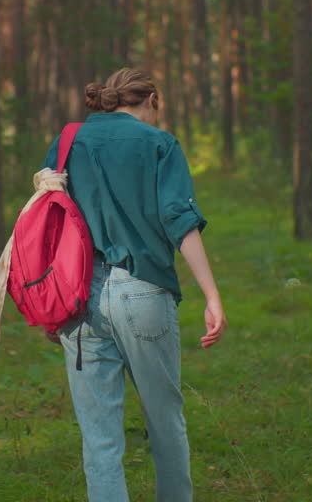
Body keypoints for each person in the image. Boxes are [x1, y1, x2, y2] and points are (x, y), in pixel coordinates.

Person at [42, 68, 226, 502]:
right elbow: (180, 222)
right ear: (151, 99)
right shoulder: (160, 143)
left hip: (77, 297)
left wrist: (50, 304)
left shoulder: (69, 141)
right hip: (143, 291)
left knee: (99, 437)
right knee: (165, 425)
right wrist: (212, 294)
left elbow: (50, 220)